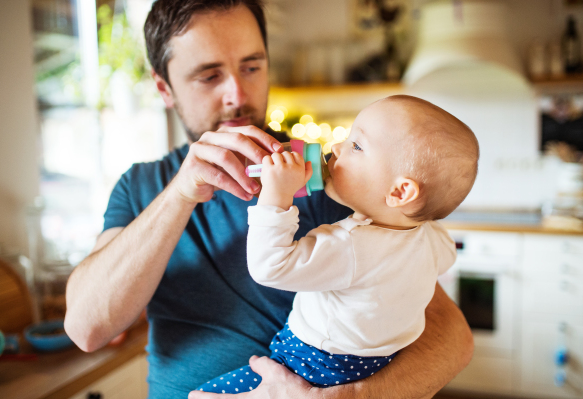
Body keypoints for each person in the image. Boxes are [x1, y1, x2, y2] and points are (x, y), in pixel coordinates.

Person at [64, 1, 474, 398]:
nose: (237, 94)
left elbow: (450, 338)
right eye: (209, 76)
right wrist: (180, 193)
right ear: (163, 87)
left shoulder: (331, 176)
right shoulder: (141, 186)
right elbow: (87, 328)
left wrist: (348, 398)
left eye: (252, 66)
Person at [195, 95, 479, 394]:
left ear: (399, 192)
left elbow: (269, 268)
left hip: (312, 366)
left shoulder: (351, 246)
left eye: (356, 146)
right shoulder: (432, 238)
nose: (336, 147)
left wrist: (276, 196)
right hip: (376, 364)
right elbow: (445, 258)